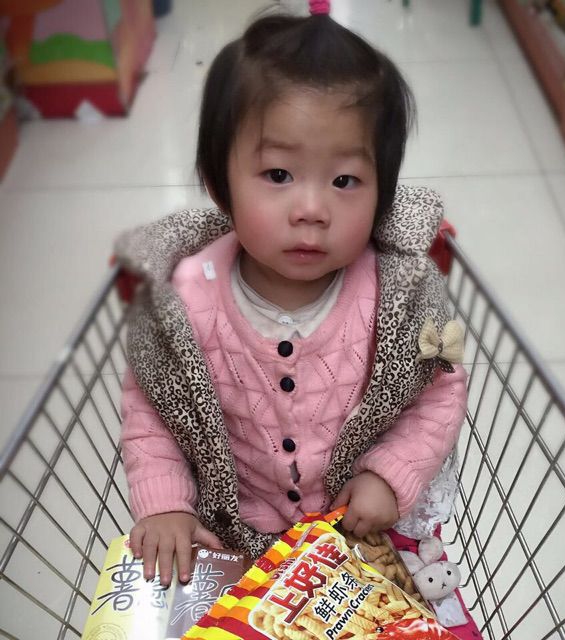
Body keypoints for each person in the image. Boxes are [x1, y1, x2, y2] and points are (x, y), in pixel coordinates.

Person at [115, 1, 467, 591]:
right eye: (278, 175)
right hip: (232, 536)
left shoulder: (402, 296)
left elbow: (440, 388)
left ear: (382, 194)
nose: (311, 209)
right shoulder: (183, 302)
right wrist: (165, 503)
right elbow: (152, 405)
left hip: (357, 532)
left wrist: (390, 474)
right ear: (219, 184)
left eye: (345, 180)